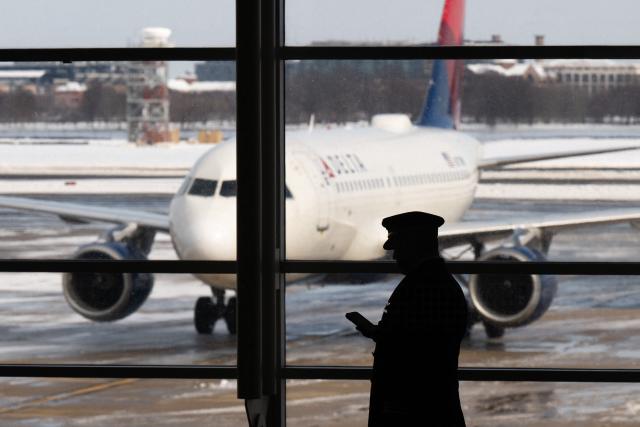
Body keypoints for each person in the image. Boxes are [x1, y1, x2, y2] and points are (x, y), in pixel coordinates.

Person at [351, 211, 468, 426]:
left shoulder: (426, 286)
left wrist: (383, 336)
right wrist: (379, 333)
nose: (395, 257)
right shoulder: (431, 282)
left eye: (400, 248)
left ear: (416, 245)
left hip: (416, 408)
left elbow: (418, 351)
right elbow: (418, 336)